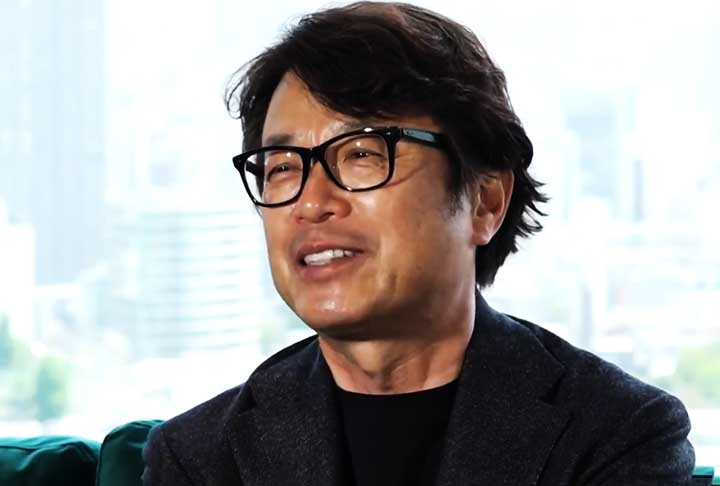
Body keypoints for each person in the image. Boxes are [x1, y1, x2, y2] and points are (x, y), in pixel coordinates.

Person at [142, 2, 695, 485]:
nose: (311, 203)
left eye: (362, 154)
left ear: (485, 203)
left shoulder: (615, 435)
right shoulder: (199, 457)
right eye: (283, 166)